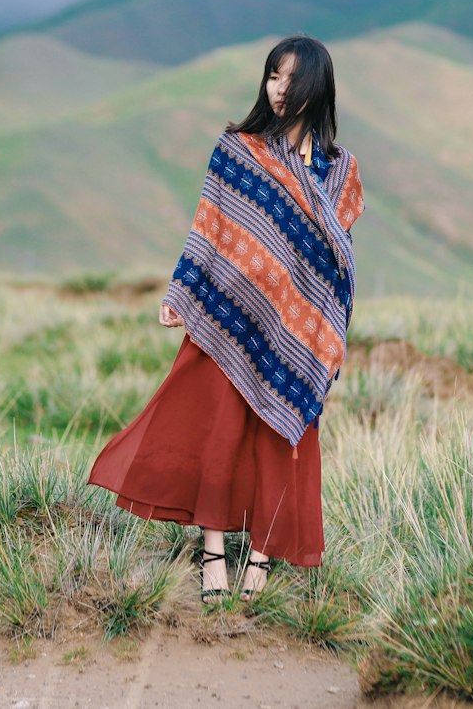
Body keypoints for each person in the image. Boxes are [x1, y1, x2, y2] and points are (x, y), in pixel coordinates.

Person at [87, 35, 365, 604]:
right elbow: (209, 226)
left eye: (291, 79)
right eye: (272, 77)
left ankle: (258, 560)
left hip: (295, 334)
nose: (279, 90)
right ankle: (213, 556)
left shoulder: (341, 172)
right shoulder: (237, 149)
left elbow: (338, 258)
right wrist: (181, 291)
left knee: (275, 439)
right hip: (228, 315)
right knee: (214, 435)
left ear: (318, 87)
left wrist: (322, 326)